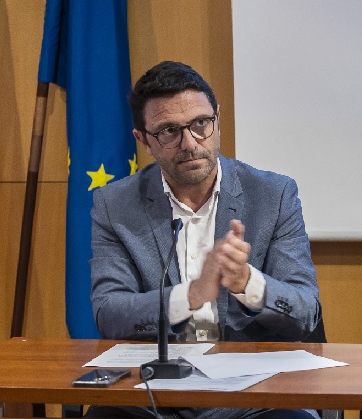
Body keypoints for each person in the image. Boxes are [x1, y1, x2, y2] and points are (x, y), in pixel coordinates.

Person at [89, 61, 320, 418]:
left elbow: (304, 312)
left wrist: (246, 282)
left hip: (255, 397)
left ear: (217, 119)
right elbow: (110, 313)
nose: (190, 143)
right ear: (143, 140)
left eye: (200, 124)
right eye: (169, 131)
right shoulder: (115, 205)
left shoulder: (272, 195)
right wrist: (191, 296)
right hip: (154, 396)